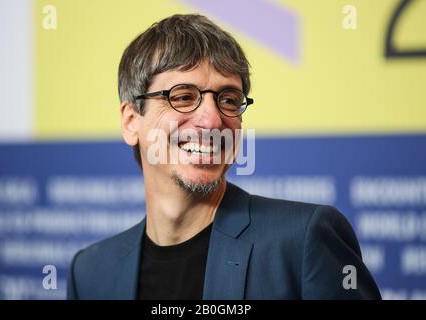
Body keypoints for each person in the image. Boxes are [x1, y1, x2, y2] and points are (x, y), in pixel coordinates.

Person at [67, 14, 381, 300]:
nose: (213, 120)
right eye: (184, 96)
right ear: (131, 121)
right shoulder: (90, 272)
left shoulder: (302, 241)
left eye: (228, 100)